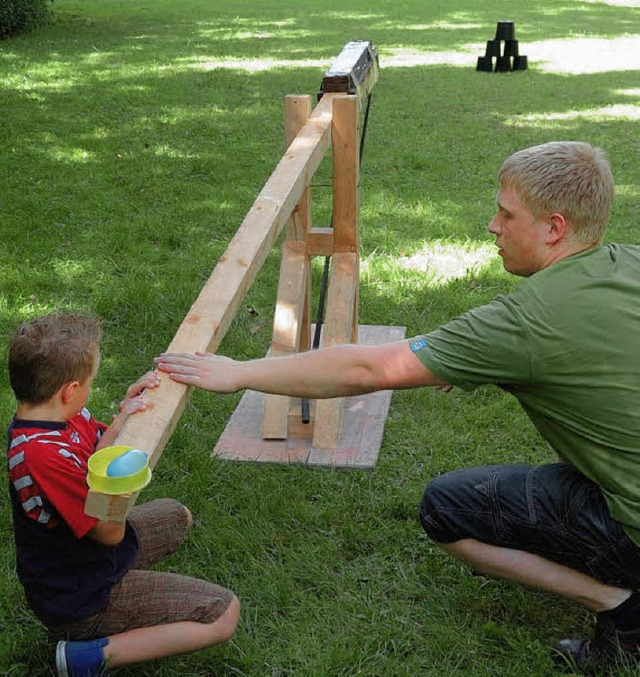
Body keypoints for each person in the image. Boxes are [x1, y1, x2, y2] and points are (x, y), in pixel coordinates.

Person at [155, 141, 640, 673]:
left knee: (447, 510)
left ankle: (623, 607)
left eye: (506, 213)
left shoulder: (524, 323)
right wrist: (473, 360)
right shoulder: (627, 262)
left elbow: (365, 369)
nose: (492, 226)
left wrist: (240, 373)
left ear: (554, 227)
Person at [6, 312, 240, 677]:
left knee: (178, 515)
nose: (88, 389)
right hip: (79, 596)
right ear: (69, 390)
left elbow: (96, 452)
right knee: (224, 613)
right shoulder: (41, 456)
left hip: (87, 558)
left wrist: (123, 417)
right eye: (88, 382)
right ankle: (89, 655)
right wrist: (122, 484)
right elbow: (110, 531)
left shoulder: (57, 418)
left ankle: (129, 588)